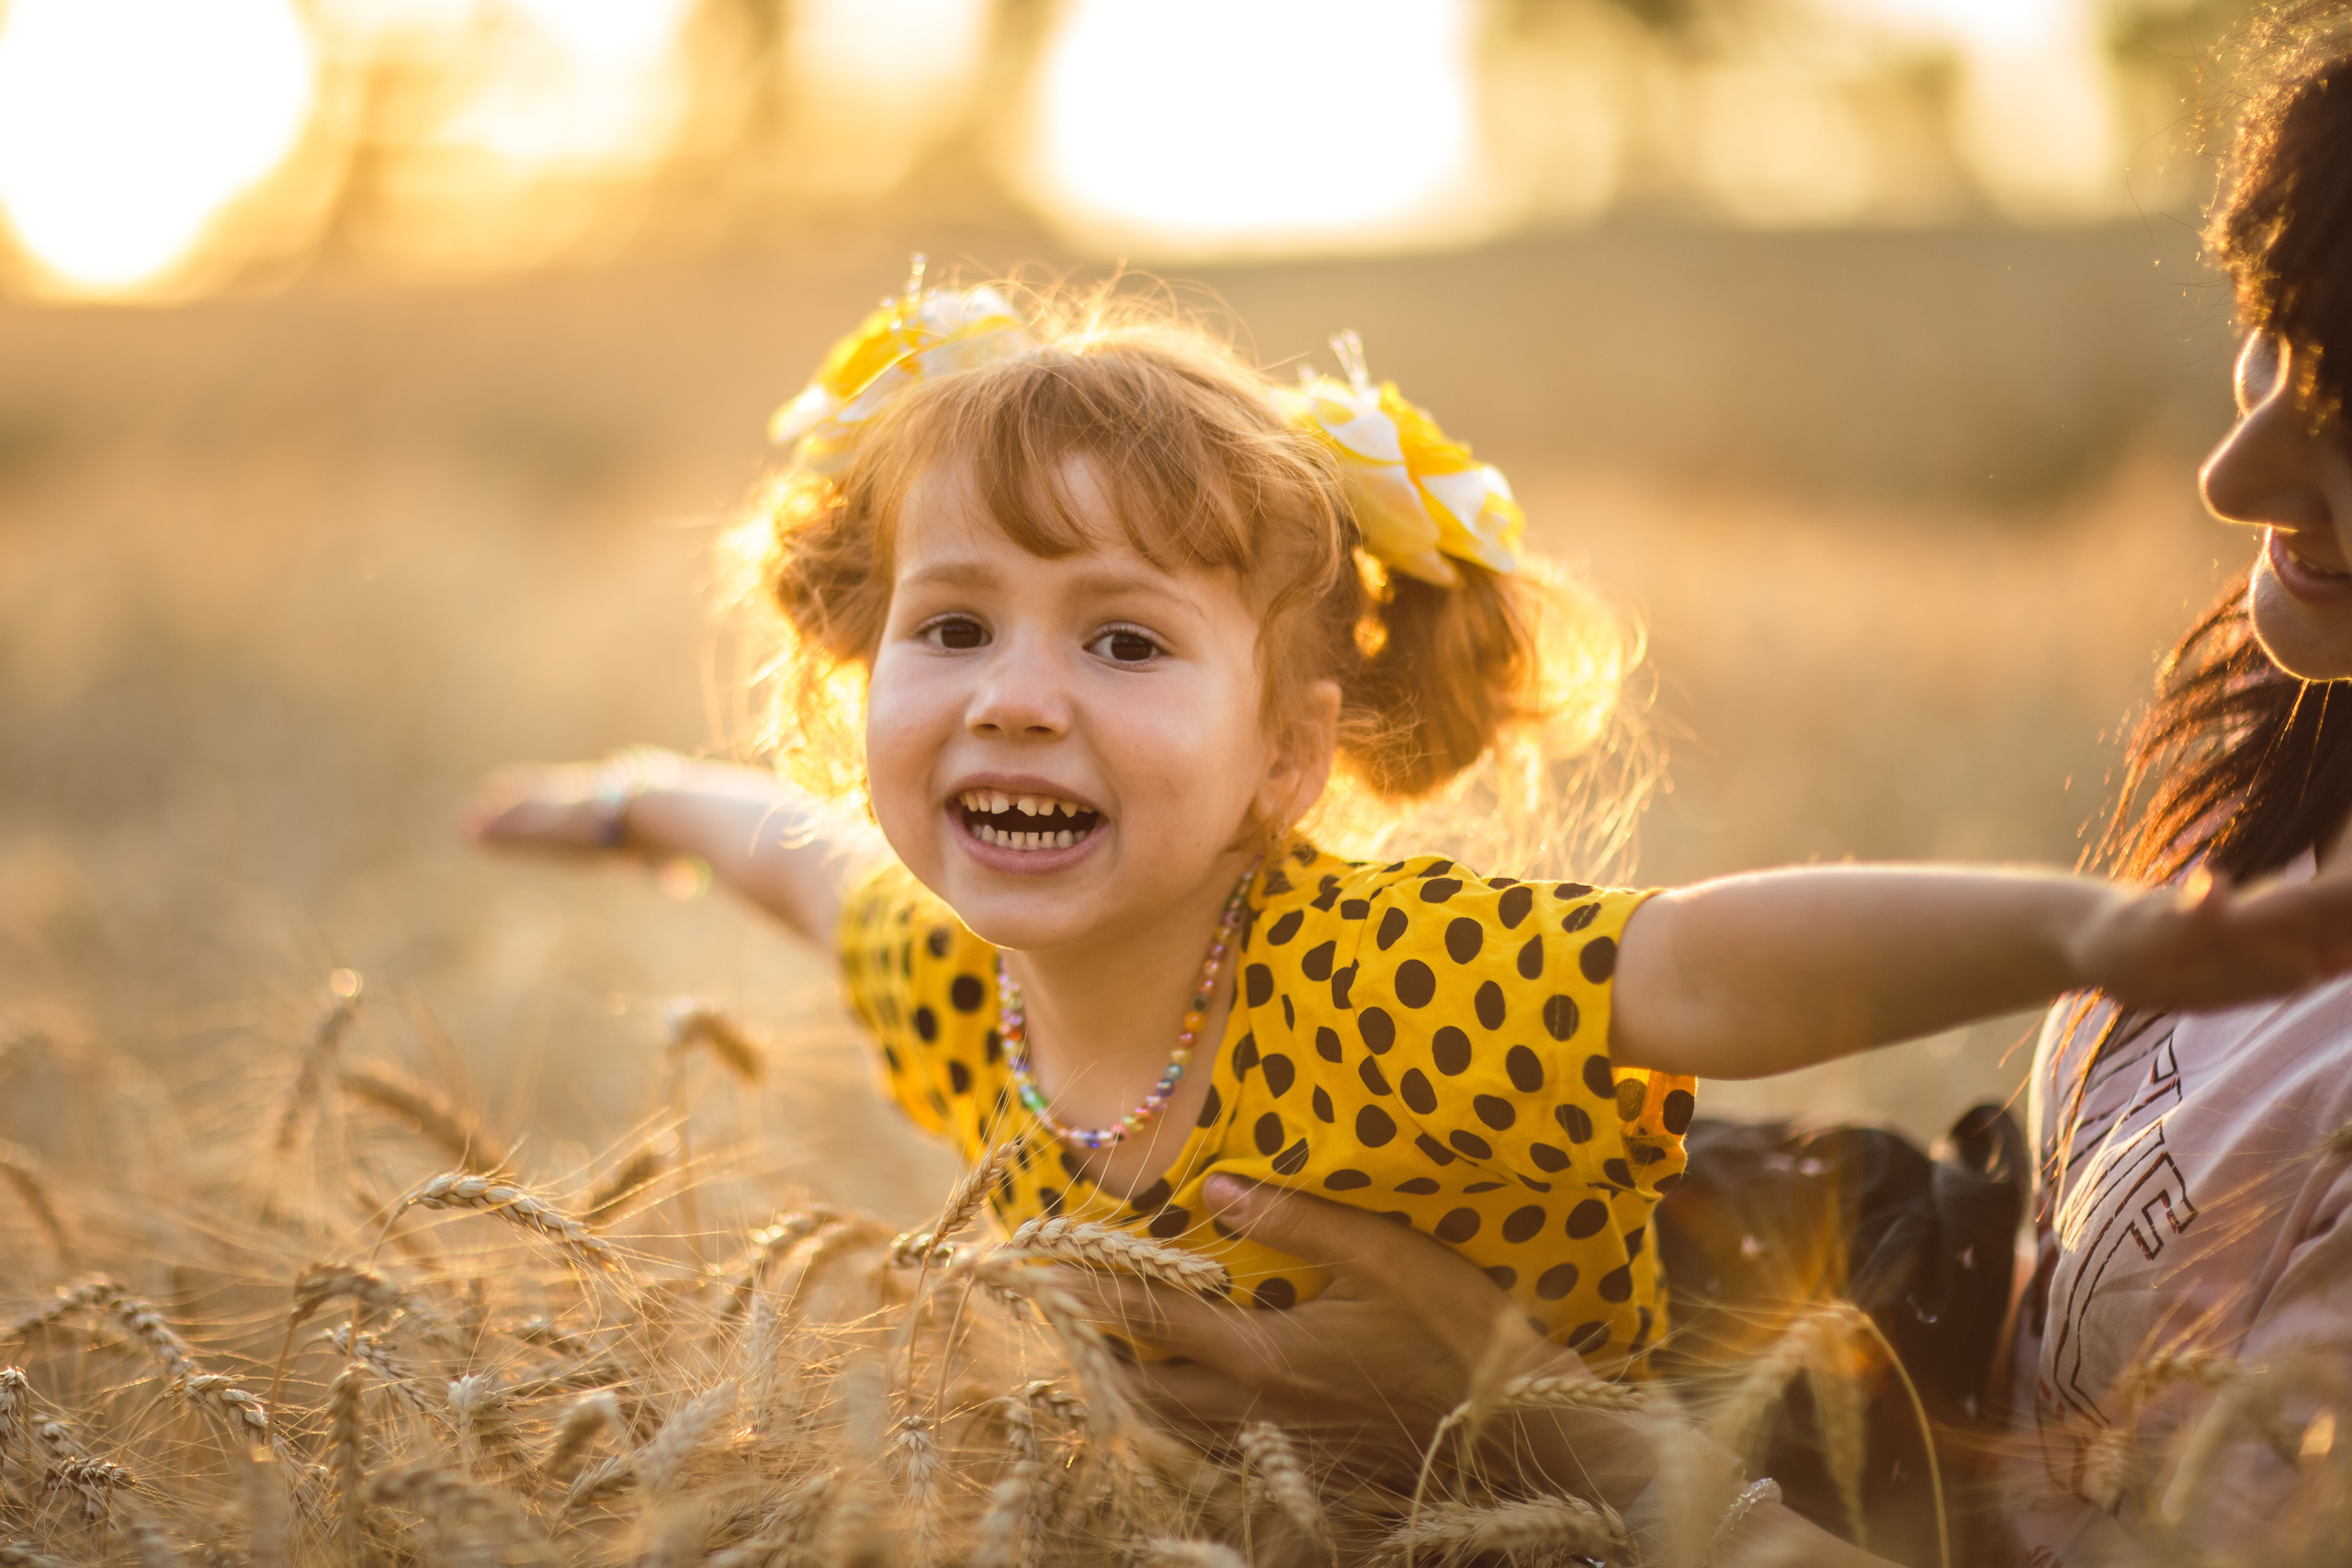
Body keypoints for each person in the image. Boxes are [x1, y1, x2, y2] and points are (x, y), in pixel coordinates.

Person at [475, 260, 2352, 1552]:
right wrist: (633, 795)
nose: (1012, 693)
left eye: (1122, 639)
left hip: (1823, 1354)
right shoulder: (955, 971)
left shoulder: (1374, 970)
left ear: (1287, 757)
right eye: (948, 625)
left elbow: (1702, 960)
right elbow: (792, 863)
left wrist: (2090, 935)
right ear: (854, 682)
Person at [1032, 8, 2352, 1564]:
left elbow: (1680, 972)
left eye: (2342, 418)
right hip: (1882, 1323)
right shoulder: (2297, 734)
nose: (2233, 472)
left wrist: (1506, 1403)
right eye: (2275, 339)